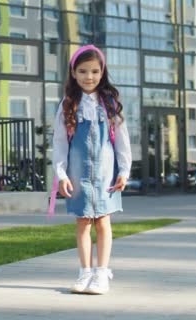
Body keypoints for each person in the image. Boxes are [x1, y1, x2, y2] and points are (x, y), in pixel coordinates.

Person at [51, 45, 131, 295]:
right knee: (83, 221)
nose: (89, 77)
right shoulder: (68, 104)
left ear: (102, 72)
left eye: (95, 71)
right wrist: (61, 174)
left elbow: (121, 139)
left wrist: (124, 170)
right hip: (78, 173)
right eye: (83, 71)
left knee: (103, 221)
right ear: (73, 73)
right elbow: (60, 142)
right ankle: (84, 272)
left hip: (106, 173)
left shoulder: (110, 103)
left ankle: (101, 273)